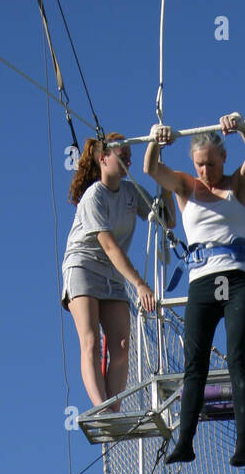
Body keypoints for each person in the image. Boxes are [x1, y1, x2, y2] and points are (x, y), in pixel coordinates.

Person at [144, 113, 245, 466]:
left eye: (211, 164)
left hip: (236, 278)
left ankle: (241, 443)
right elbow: (152, 168)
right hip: (201, 282)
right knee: (193, 367)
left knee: (238, 360)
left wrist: (243, 128)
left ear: (223, 158)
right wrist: (156, 138)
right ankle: (185, 441)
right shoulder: (185, 187)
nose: (205, 172)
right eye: (199, 165)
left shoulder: (237, 184)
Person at [62, 133, 172, 408]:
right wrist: (139, 284)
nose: (127, 161)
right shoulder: (93, 196)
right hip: (83, 266)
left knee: (121, 347)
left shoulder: (130, 193)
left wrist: (164, 182)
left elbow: (167, 220)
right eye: (122, 156)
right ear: (103, 158)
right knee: (91, 341)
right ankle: (102, 408)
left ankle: (114, 408)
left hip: (112, 273)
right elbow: (109, 245)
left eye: (129, 158)